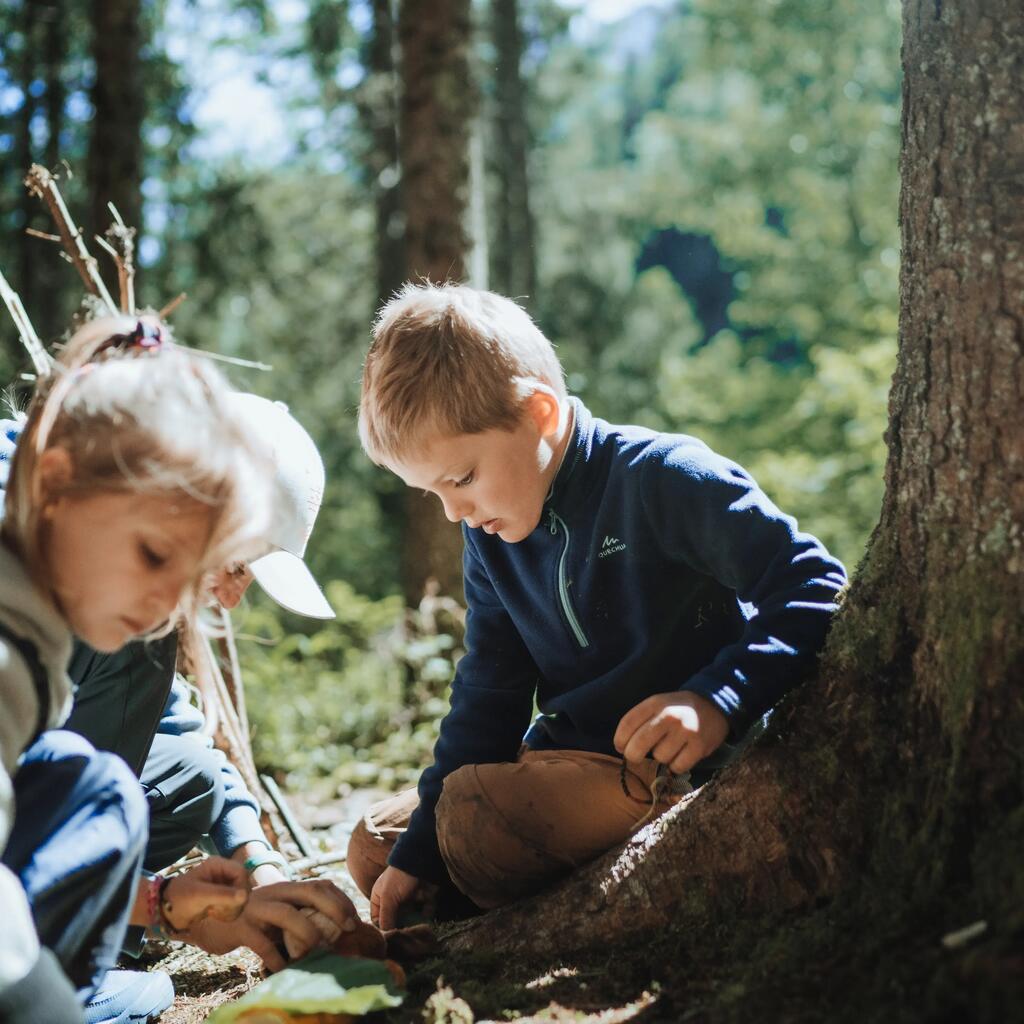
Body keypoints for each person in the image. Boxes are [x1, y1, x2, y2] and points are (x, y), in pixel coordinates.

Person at [347, 283, 848, 930]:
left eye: (462, 478)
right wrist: (416, 856)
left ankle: (510, 890)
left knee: (470, 821)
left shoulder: (662, 477)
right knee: (377, 844)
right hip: (562, 768)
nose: (455, 513)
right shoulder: (491, 538)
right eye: (431, 494)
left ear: (540, 416)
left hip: (668, 772)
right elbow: (487, 696)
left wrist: (716, 699)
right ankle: (481, 890)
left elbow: (814, 584)